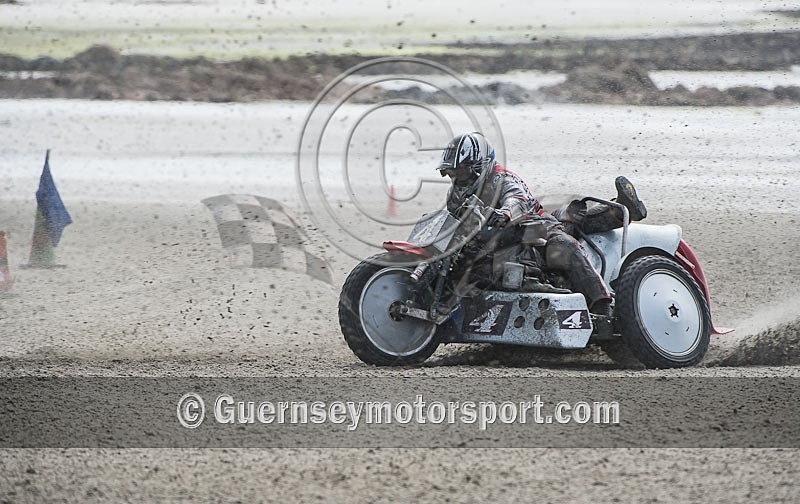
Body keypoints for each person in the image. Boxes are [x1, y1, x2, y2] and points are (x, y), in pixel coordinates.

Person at [436, 132, 647, 316]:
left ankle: (602, 305)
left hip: (536, 228)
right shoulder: (455, 194)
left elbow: (516, 200)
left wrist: (505, 214)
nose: (457, 178)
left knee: (565, 246)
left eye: (462, 171)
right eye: (452, 173)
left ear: (480, 167)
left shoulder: (503, 180)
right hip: (495, 242)